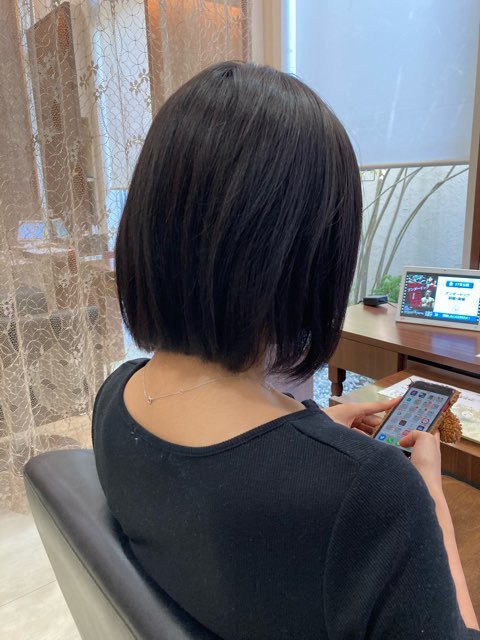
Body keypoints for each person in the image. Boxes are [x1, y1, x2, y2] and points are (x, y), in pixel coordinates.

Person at [92, 61, 479, 639]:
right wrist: (429, 505)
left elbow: (233, 486)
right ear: (310, 257)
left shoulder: (116, 396)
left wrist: (312, 429)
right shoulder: (375, 497)